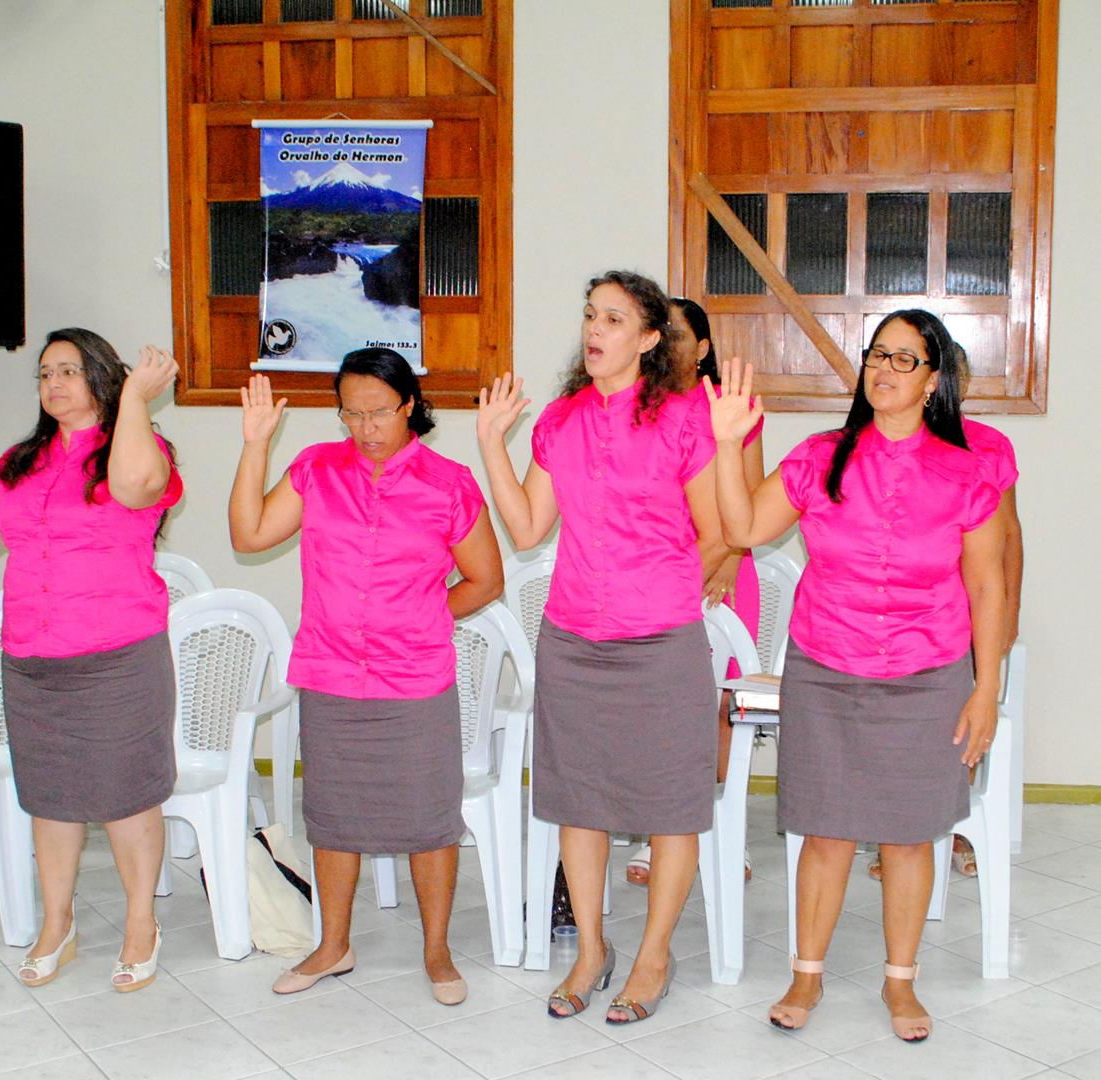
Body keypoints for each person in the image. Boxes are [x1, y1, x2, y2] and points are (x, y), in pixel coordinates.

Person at [705, 310, 1005, 1042]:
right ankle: (805, 974)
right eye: (876, 355)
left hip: (927, 673)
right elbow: (743, 529)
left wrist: (986, 687)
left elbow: (988, 585)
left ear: (933, 380)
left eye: (904, 359)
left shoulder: (967, 470)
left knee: (909, 836)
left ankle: (900, 982)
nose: (883, 369)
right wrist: (727, 444)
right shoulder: (820, 457)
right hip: (826, 667)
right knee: (826, 831)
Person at [478, 270, 726, 1025]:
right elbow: (527, 529)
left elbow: (717, 532)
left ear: (650, 338)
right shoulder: (561, 420)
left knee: (671, 808)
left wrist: (659, 587)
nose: (595, 329)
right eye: (591, 314)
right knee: (577, 803)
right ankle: (591, 949)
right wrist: (490, 444)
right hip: (572, 638)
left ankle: (653, 956)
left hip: (661, 642)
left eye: (615, 318)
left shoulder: (684, 419)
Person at [228, 347, 503, 1006]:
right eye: (351, 414)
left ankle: (436, 951)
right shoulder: (316, 469)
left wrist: (423, 616)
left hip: (414, 679)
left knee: (429, 820)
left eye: (378, 412)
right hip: (330, 673)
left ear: (409, 406)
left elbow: (486, 579)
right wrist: (255, 446)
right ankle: (333, 945)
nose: (365, 428)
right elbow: (248, 535)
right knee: (333, 818)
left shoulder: (447, 483)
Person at [0, 329, 183, 993]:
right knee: (51, 798)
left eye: (70, 370)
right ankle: (58, 924)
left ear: (102, 378)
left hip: (118, 657)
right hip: (33, 659)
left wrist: (134, 401)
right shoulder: (22, 462)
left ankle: (140, 925)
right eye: (45, 374)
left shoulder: (141, 449)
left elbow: (133, 487)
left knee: (128, 797)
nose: (54, 383)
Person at [867, 342, 1023, 881]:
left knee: (957, 730)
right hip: (894, 625)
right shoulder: (882, 442)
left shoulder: (988, 446)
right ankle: (890, 834)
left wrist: (1009, 613)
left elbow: (1009, 536)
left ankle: (950, 831)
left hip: (961, 619)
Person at [626, 297, 765, 887]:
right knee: (657, 707)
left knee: (722, 706)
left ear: (703, 348)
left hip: (722, 569)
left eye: (679, 335)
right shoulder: (639, 406)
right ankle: (656, 832)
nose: (667, 344)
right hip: (656, 576)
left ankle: (727, 830)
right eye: (658, 333)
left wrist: (729, 555)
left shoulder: (732, 407)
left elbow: (751, 499)